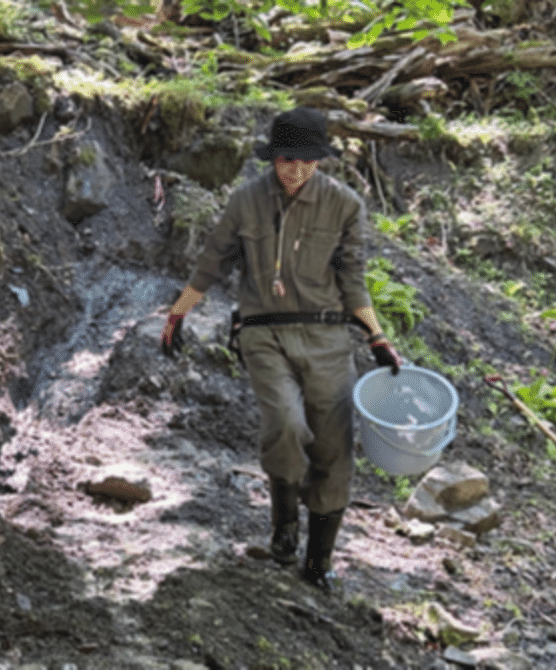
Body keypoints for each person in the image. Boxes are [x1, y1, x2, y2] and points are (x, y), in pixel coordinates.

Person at [160, 107, 403, 592]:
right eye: (285, 159)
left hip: (329, 340)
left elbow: (353, 283)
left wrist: (376, 336)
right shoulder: (246, 201)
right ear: (272, 158)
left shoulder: (345, 205)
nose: (293, 170)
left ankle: (319, 561)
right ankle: (284, 520)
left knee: (334, 450)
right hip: (263, 333)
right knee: (287, 425)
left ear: (320, 161)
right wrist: (178, 313)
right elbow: (212, 263)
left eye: (304, 161)